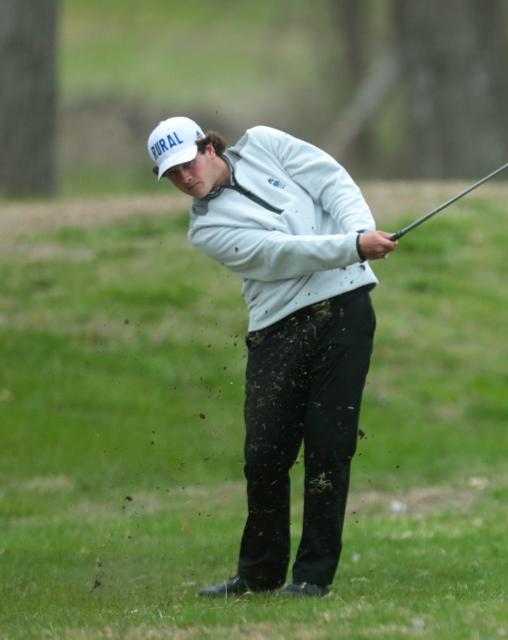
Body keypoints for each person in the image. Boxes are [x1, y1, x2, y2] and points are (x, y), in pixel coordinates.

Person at [147, 116, 397, 598]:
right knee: (264, 457)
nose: (183, 179)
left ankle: (312, 578)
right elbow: (279, 254)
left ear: (208, 148)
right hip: (277, 330)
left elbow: (330, 179)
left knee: (329, 446)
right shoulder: (206, 229)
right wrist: (351, 246)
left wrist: (359, 230)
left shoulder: (266, 144)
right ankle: (258, 575)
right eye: (171, 175)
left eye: (185, 164)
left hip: (344, 308)